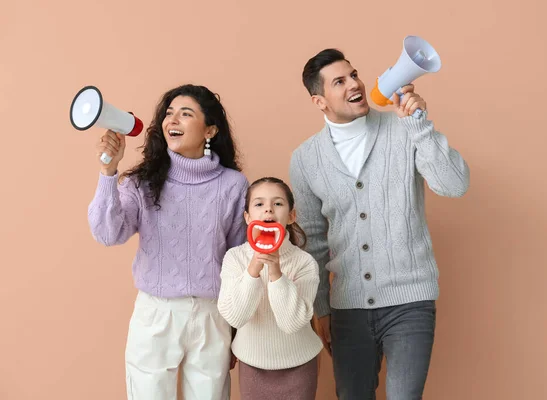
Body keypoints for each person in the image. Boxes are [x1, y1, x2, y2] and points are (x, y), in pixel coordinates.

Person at [289, 49, 470, 400]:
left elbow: (455, 185)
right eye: (339, 82)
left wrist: (418, 123)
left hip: (410, 301)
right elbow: (312, 239)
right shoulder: (306, 158)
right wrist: (321, 309)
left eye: (353, 74)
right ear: (319, 100)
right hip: (348, 308)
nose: (354, 84)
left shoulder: (403, 130)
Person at [88, 84, 249, 400]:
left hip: (212, 315)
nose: (172, 120)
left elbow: (238, 260)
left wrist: (236, 328)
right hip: (155, 315)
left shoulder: (234, 184)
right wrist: (108, 171)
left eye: (186, 114)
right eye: (169, 113)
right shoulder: (141, 182)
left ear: (210, 129)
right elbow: (107, 234)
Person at [217, 177, 323, 400]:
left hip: (299, 365)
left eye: (277, 203)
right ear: (248, 217)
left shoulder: (305, 263)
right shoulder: (234, 258)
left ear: (291, 216)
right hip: (253, 365)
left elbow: (291, 322)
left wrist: (276, 273)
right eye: (259, 204)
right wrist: (254, 268)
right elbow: (235, 317)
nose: (268, 209)